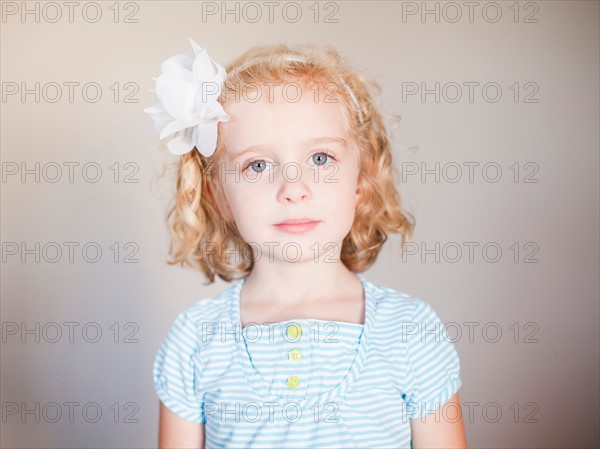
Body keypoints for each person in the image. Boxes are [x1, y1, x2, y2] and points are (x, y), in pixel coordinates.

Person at [144, 38, 467, 448]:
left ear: (360, 182)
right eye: (257, 165)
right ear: (218, 196)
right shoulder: (194, 339)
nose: (293, 189)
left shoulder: (412, 333)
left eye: (320, 159)